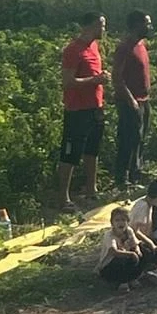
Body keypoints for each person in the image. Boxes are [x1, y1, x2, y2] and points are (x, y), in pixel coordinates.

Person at [57, 12, 111, 211]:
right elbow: (68, 82)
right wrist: (95, 80)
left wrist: (100, 78)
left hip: (95, 107)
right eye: (101, 25)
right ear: (89, 26)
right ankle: (63, 198)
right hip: (77, 109)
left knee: (92, 149)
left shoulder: (94, 47)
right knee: (70, 153)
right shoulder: (73, 50)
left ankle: (91, 190)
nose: (104, 29)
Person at [112, 10, 154, 189]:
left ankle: (136, 175)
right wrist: (131, 101)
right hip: (130, 102)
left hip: (144, 100)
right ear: (137, 25)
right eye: (147, 23)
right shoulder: (124, 48)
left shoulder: (141, 44)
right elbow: (117, 78)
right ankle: (122, 179)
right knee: (129, 140)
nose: (150, 27)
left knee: (140, 139)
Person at [95, 206, 157, 293]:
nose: (120, 223)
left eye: (123, 220)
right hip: (110, 266)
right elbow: (113, 251)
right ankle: (123, 282)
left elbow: (135, 244)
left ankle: (134, 277)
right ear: (112, 223)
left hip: (127, 260)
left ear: (127, 222)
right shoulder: (109, 235)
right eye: (117, 220)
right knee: (123, 258)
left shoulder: (129, 231)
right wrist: (131, 254)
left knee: (144, 251)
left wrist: (137, 250)